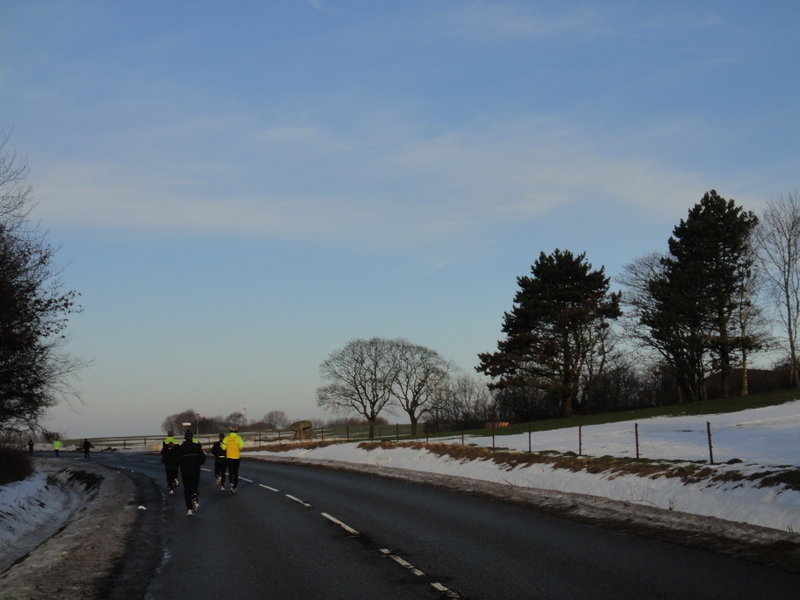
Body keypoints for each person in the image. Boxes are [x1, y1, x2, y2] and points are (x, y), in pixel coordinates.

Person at [177, 428, 206, 515]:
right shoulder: (196, 447)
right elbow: (203, 459)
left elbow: (177, 461)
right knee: (194, 487)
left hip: (185, 471)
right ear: (192, 437)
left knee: (187, 489)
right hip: (195, 471)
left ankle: (189, 509)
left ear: (185, 438)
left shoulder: (181, 448)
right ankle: (194, 497)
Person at [222, 426, 245, 494]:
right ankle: (235, 486)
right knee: (236, 472)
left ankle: (231, 483)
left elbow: (223, 447)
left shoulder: (227, 438)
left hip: (229, 457)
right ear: (236, 431)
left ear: (230, 431)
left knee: (230, 471)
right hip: (237, 457)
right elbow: (241, 446)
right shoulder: (238, 438)